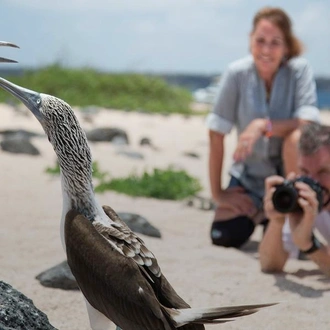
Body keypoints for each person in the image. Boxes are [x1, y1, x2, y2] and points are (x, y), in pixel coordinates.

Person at [205, 6, 320, 248]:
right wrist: (218, 193)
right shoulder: (236, 73)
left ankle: (290, 212)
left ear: (286, 46)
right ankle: (260, 212)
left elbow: (309, 125)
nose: (266, 49)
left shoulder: (299, 70)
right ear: (251, 41)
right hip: (248, 178)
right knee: (223, 235)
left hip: (286, 179)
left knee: (296, 137)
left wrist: (262, 125)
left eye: (275, 42)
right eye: (261, 41)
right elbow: (216, 133)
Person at [259, 123, 330, 276]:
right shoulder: (307, 199)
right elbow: (270, 264)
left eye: (324, 171)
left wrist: (308, 246)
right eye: (304, 171)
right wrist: (277, 221)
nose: (313, 181)